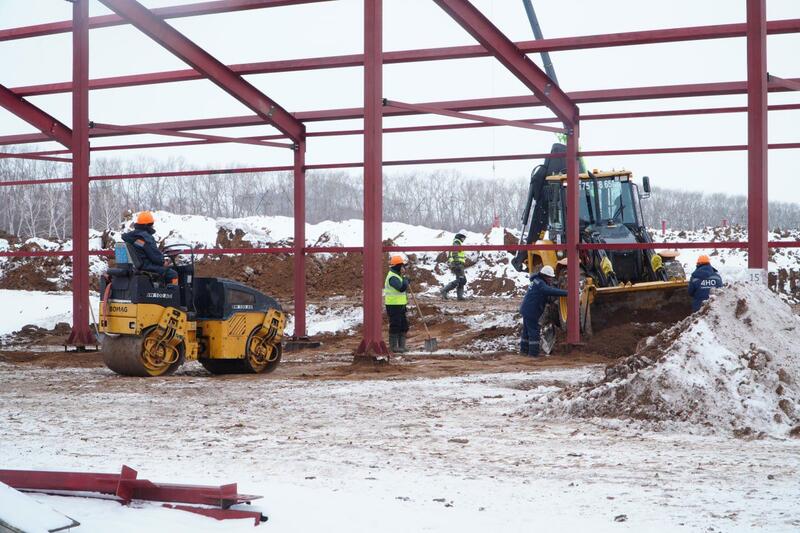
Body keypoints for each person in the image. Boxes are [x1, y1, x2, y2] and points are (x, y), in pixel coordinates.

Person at [519, 265, 567, 357]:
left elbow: (543, 295)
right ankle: (533, 354)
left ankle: (523, 351)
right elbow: (548, 290)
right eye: (550, 277)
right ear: (545, 276)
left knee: (526, 331)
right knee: (534, 332)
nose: (551, 280)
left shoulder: (537, 281)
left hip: (527, 309)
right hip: (531, 311)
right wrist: (567, 293)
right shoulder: (540, 284)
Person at [121, 211, 178, 287]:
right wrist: (163, 262)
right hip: (147, 266)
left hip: (138, 265)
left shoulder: (134, 237)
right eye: (151, 224)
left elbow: (144, 248)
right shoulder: (145, 238)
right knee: (173, 274)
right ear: (147, 225)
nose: (152, 226)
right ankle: (173, 296)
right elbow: (154, 256)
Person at [384, 254, 410, 353]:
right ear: (398, 266)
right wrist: (406, 282)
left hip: (401, 305)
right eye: (402, 266)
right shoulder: (392, 277)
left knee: (403, 325)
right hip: (393, 306)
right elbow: (401, 288)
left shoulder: (398, 276)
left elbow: (403, 286)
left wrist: (405, 280)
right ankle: (393, 347)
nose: (403, 268)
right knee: (395, 325)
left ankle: (402, 346)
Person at [440, 230, 467, 300]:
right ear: (461, 236)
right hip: (457, 264)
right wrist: (457, 263)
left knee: (462, 280)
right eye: (464, 237)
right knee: (461, 280)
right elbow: (455, 253)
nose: (464, 239)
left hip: (458, 264)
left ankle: (459, 296)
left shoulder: (458, 243)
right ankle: (444, 290)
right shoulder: (457, 243)